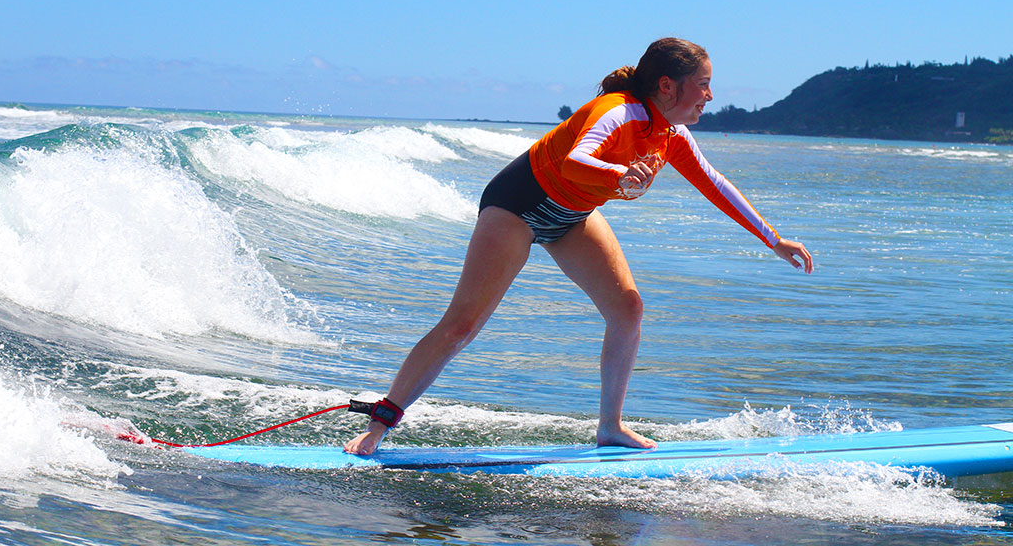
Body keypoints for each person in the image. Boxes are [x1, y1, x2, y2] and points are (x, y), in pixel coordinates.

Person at [344, 37, 813, 455]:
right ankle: (379, 425)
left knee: (628, 309)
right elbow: (575, 162)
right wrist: (620, 175)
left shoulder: (670, 135)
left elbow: (714, 184)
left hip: (571, 217)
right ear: (667, 85)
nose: (710, 96)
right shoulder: (617, 110)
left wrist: (772, 240)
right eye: (704, 84)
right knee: (463, 324)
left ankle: (610, 427)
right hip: (518, 206)